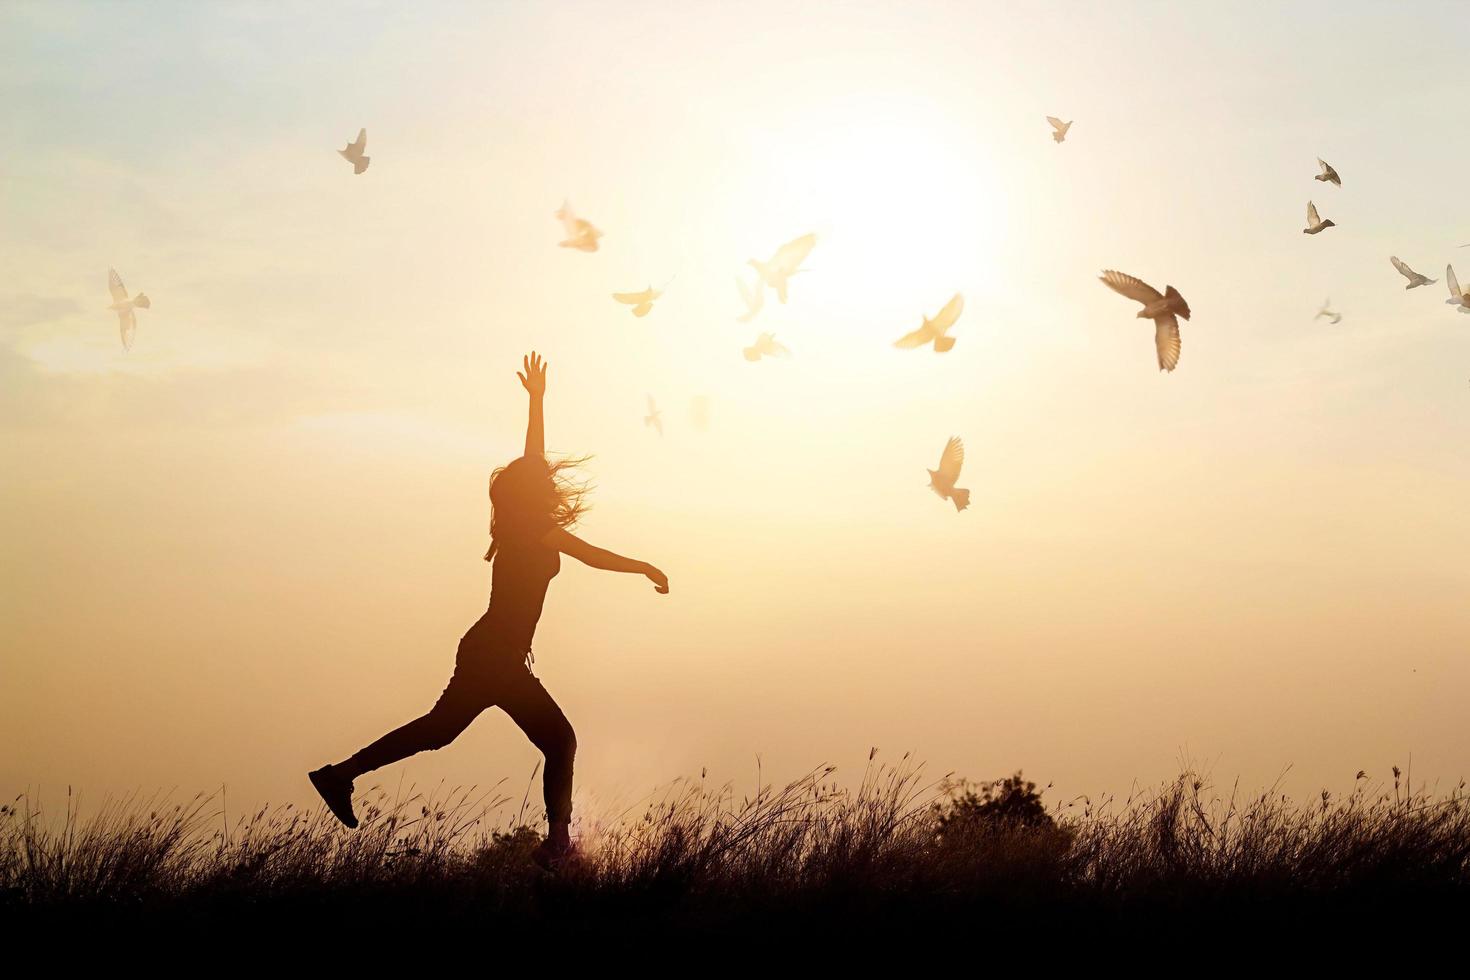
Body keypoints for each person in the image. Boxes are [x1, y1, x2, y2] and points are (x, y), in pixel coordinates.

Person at [308, 351, 669, 868]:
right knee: (557, 741)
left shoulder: (519, 519)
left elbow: (532, 458)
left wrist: (537, 402)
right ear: (532, 492)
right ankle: (558, 844)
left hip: (493, 653)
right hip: (495, 655)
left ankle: (340, 775)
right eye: (539, 477)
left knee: (440, 732)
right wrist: (645, 567)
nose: (548, 476)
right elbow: (590, 555)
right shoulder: (528, 528)